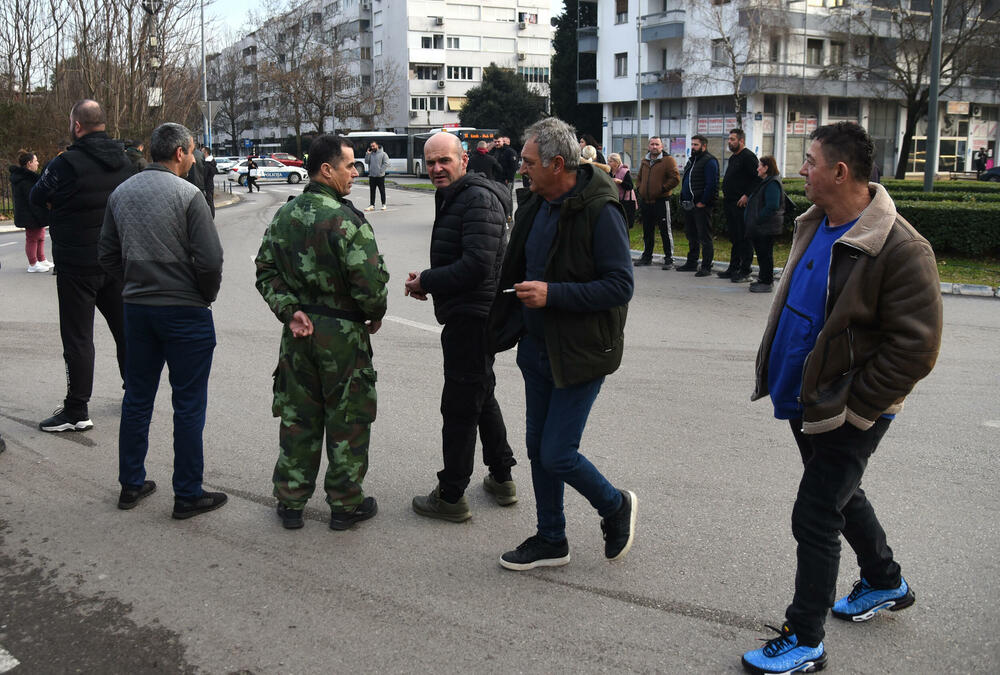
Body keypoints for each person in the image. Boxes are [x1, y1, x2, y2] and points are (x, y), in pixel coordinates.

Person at [741, 122, 943, 675]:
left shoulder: (901, 247)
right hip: (807, 399)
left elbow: (916, 349)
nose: (800, 169)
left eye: (808, 161)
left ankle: (805, 639)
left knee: (815, 514)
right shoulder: (817, 223)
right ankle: (885, 580)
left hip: (849, 409)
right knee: (841, 495)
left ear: (840, 171)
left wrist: (857, 407)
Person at [487, 117, 637, 571]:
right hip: (537, 349)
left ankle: (614, 506)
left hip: (581, 351)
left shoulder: (600, 209)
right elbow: (513, 266)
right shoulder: (536, 203)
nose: (521, 169)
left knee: (557, 452)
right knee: (537, 449)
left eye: (529, 163)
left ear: (557, 163)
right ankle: (552, 537)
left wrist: (553, 294)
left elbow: (619, 285)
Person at [255, 134, 389, 532]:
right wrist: (374, 313)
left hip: (299, 332)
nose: (355, 172)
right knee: (348, 418)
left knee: (299, 416)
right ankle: (346, 505)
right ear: (326, 169)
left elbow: (265, 270)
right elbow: (370, 284)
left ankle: (292, 501)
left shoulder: (285, 216)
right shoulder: (346, 221)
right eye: (350, 165)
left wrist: (289, 310)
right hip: (343, 336)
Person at [99, 122, 227, 519]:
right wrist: (203, 295)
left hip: (137, 310)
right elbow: (210, 261)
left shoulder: (121, 193)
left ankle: (131, 483)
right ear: (179, 153)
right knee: (188, 404)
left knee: (137, 398)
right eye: (191, 153)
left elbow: (106, 254)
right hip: (185, 312)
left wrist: (135, 283)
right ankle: (187, 493)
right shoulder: (188, 196)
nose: (192, 159)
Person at [404, 132, 518, 522]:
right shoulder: (457, 195)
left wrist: (429, 281)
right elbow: (466, 257)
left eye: (444, 161)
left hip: (473, 318)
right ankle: (502, 478)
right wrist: (432, 282)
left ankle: (451, 495)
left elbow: (477, 266)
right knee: (481, 393)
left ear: (464, 160)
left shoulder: (476, 198)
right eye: (431, 162)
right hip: (469, 312)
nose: (436, 169)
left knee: (459, 408)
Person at [29, 99, 132, 433]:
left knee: (78, 338)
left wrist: (58, 206)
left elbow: (35, 198)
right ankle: (136, 393)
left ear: (76, 126)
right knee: (125, 331)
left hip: (77, 263)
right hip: (117, 261)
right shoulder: (126, 160)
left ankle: (77, 409)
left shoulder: (65, 164)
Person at [719, 128, 758, 283]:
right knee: (735, 237)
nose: (730, 142)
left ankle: (745, 270)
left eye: (733, 139)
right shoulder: (733, 158)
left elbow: (757, 179)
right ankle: (733, 267)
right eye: (729, 139)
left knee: (744, 237)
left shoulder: (748, 157)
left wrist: (747, 195)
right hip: (730, 203)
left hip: (741, 205)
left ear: (741, 141)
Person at [634, 137, 680, 269]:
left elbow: (675, 178)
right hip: (646, 201)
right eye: (652, 144)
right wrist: (639, 188)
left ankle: (669, 258)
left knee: (665, 230)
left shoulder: (668, 160)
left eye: (657, 144)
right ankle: (647, 257)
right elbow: (639, 178)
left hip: (661, 201)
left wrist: (662, 189)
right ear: (648, 146)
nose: (654, 146)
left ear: (661, 146)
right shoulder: (645, 160)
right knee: (647, 230)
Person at [677, 134, 719, 276]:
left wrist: (703, 202)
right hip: (689, 205)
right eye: (692, 144)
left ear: (704, 146)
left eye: (696, 145)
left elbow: (711, 184)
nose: (693, 147)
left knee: (704, 236)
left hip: (701, 206)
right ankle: (692, 262)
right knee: (691, 234)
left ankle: (706, 266)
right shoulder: (692, 161)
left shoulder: (709, 161)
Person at [743, 155, 785, 294]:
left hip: (765, 227)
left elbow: (772, 205)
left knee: (765, 254)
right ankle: (762, 279)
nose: (758, 168)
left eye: (760, 165)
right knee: (762, 254)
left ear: (766, 168)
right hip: (761, 227)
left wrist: (758, 220)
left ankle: (767, 281)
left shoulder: (772, 183)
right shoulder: (766, 181)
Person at [9, 150, 54, 273]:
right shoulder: (25, 180)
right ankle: (33, 263)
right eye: (35, 161)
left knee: (40, 236)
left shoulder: (26, 178)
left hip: (33, 213)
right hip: (29, 214)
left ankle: (41, 259)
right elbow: (32, 200)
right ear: (29, 163)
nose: (38, 163)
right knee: (32, 238)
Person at [607, 153, 637, 229]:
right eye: (608, 161)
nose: (608, 163)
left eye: (610, 161)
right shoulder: (609, 172)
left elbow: (630, 186)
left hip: (626, 200)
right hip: (615, 198)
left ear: (616, 162)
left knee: (624, 224)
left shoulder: (624, 171)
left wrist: (620, 182)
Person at [364, 141, 389, 211]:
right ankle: (372, 205)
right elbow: (366, 161)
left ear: (377, 145)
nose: (372, 147)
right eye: (371, 146)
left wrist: (380, 171)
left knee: (382, 190)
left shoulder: (383, 154)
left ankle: (383, 204)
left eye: (373, 146)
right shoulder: (370, 154)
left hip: (380, 176)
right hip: (372, 175)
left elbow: (386, 163)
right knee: (372, 191)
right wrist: (367, 154)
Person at [202, 146, 218, 217]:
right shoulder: (212, 162)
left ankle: (211, 216)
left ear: (205, 152)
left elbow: (205, 175)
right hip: (211, 184)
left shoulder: (207, 163)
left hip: (207, 185)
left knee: (209, 201)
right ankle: (212, 216)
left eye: (202, 152)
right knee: (210, 201)